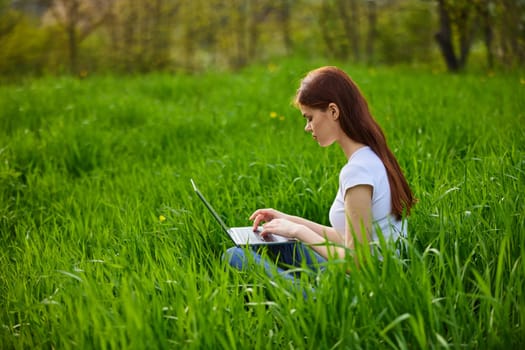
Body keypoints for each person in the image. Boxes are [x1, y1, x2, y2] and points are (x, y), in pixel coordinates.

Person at [224, 66, 415, 284]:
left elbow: (358, 263)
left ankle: (309, 306)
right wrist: (287, 220)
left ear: (333, 111)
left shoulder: (358, 172)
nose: (307, 127)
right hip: (367, 279)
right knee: (282, 247)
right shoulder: (371, 158)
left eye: (310, 118)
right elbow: (344, 237)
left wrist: (298, 231)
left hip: (362, 293)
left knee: (235, 256)